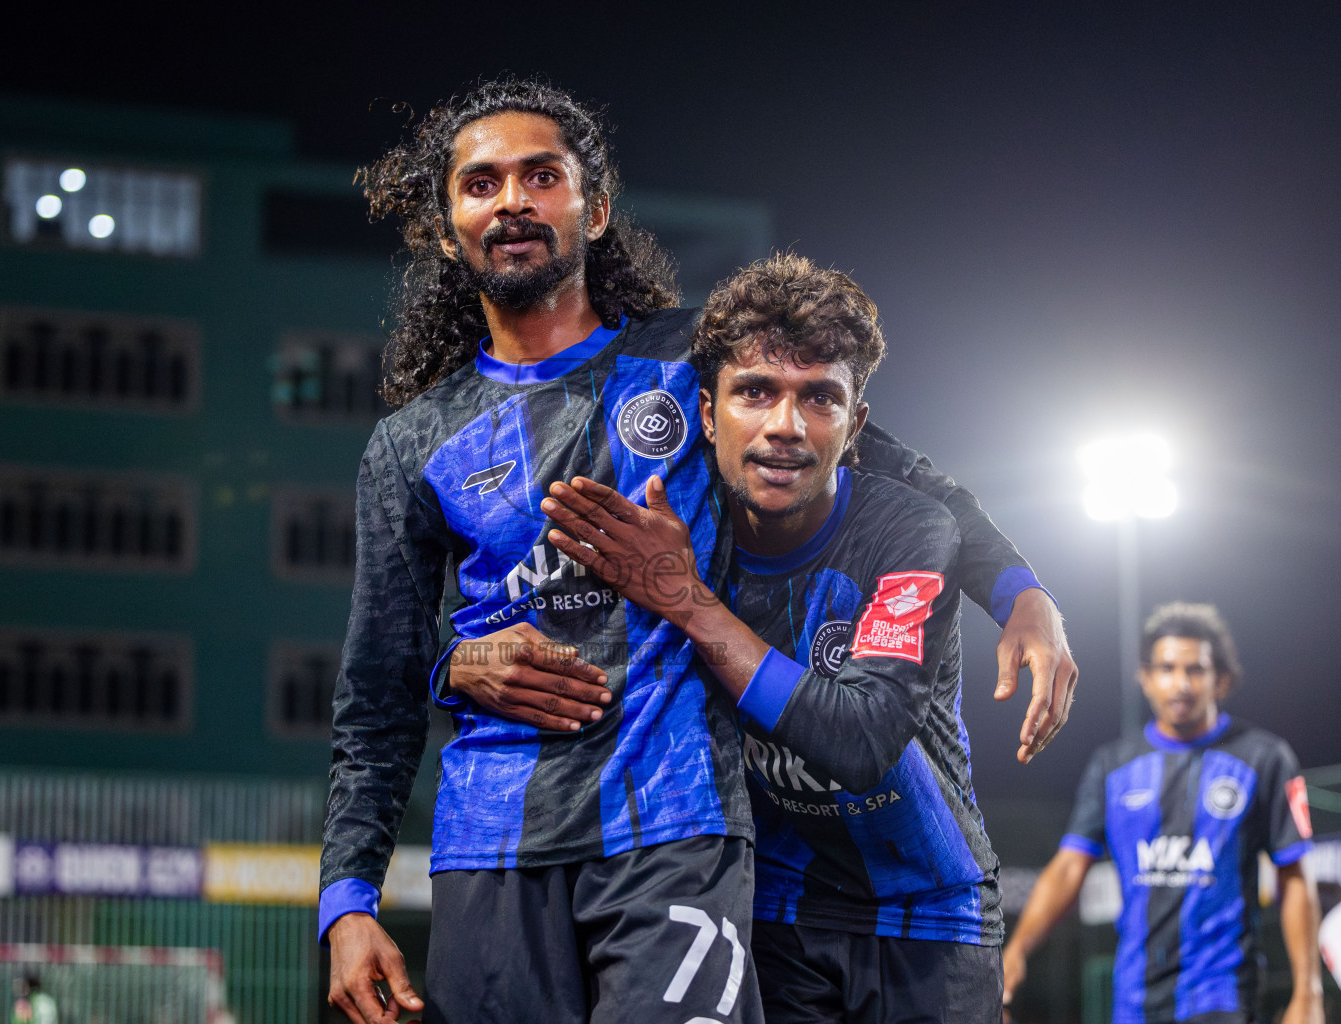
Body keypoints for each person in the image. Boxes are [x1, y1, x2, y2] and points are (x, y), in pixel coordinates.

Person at [319, 77, 1076, 1024]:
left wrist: (1022, 593)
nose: (511, 200)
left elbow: (897, 471)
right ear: (445, 228)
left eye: (541, 176)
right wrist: (348, 899)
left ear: (593, 209)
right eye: (481, 185)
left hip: (678, 828)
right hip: (491, 844)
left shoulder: (699, 365)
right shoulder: (410, 443)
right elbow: (374, 692)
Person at [524, 254, 1009, 1021]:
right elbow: (512, 631)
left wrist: (687, 602)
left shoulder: (910, 529)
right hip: (776, 915)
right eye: (756, 392)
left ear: (854, 423)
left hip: (932, 918)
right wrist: (460, 666)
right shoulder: (670, 523)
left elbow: (861, 740)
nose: (785, 426)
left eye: (819, 398)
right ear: (710, 414)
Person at [1002, 602, 1324, 1024]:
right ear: (1146, 677)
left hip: (1222, 991)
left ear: (1221, 681)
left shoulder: (1264, 758)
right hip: (1134, 998)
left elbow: (1294, 875)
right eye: (1167, 668)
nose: (1181, 684)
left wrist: (1308, 990)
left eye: (1196, 670)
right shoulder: (1112, 766)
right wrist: (1017, 950)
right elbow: (1067, 868)